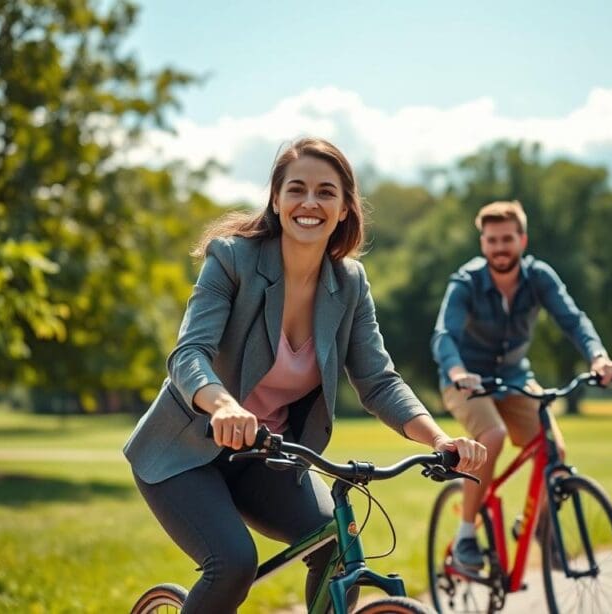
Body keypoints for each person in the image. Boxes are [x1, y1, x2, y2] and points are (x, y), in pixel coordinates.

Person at [123, 137, 486, 613]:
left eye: (325, 192)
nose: (309, 203)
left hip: (267, 455)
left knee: (337, 547)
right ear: (276, 200)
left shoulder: (350, 283)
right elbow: (190, 354)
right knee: (232, 563)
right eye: (296, 189)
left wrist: (439, 439)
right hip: (183, 453)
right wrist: (225, 405)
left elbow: (378, 381)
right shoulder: (232, 259)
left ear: (343, 209)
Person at [431, 200, 612, 571]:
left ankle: (538, 527)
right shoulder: (466, 282)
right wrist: (457, 372)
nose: (500, 248)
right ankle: (466, 534)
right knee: (493, 436)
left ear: (523, 239)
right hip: (467, 381)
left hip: (517, 379)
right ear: (483, 243)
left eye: (507, 239)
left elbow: (573, 320)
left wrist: (598, 356)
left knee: (555, 450)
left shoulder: (539, 277)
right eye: (492, 240)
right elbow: (444, 335)